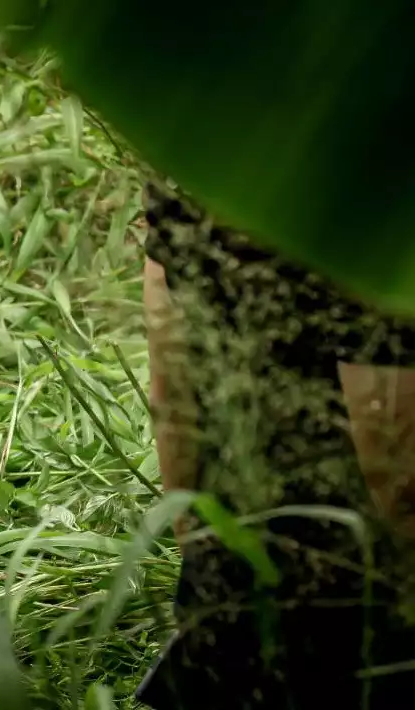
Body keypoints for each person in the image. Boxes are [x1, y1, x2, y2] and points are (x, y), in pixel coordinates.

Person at [134, 179, 415, 709]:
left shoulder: (198, 171)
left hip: (232, 599)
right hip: (363, 631)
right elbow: (399, 479)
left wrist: (204, 563)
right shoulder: (381, 198)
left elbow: (172, 404)